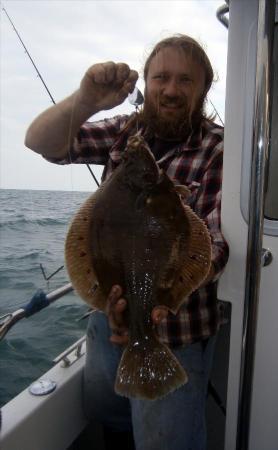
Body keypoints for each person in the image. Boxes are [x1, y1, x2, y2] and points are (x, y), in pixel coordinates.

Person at [25, 34, 229, 450]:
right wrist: (86, 101)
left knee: (165, 443)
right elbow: (39, 142)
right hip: (109, 313)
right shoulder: (127, 133)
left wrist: (154, 302)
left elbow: (216, 243)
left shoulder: (219, 149)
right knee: (106, 412)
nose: (171, 90)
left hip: (178, 328)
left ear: (203, 88)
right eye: (161, 78)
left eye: (185, 80)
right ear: (148, 84)